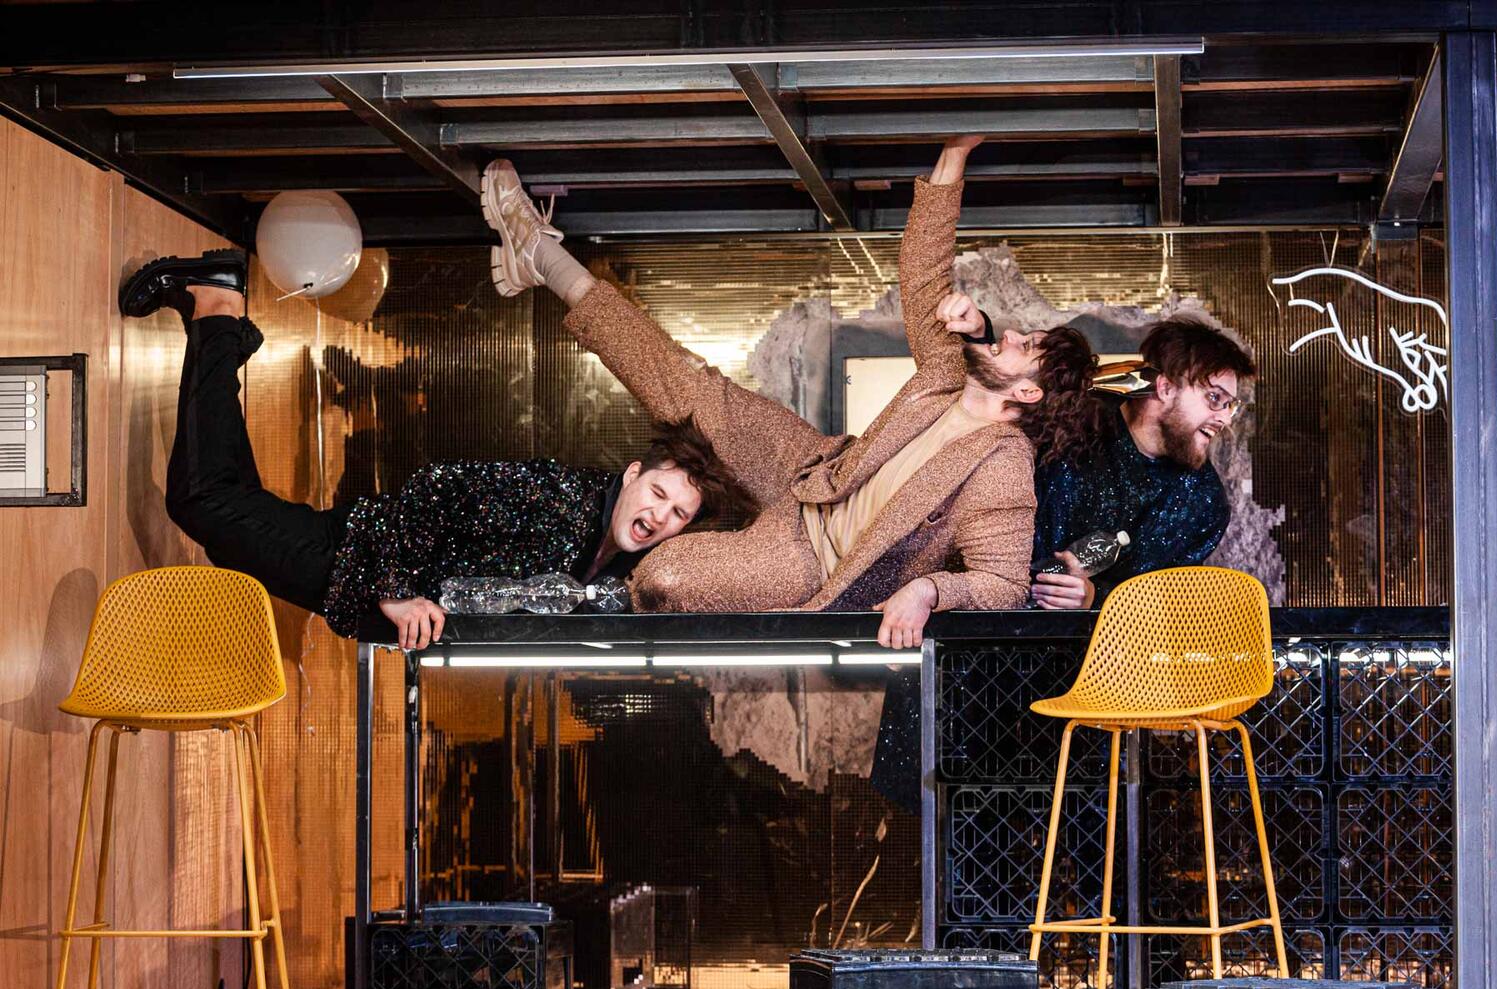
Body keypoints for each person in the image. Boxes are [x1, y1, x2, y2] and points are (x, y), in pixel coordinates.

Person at [479, 136, 1087, 648]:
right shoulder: (949, 370)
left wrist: (928, 589)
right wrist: (954, 152)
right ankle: (540, 255)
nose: (1010, 335)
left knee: (667, 579)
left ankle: (559, 589)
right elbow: (923, 272)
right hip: (816, 469)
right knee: (692, 388)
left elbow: (1003, 584)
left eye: (1026, 346)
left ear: (1028, 394)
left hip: (813, 557)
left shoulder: (1002, 466)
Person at [118, 250, 752, 649]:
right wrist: (395, 587)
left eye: (678, 514)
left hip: (373, 593)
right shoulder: (564, 499)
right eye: (659, 493)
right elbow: (439, 487)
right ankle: (217, 308)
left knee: (230, 513)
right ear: (634, 474)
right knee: (203, 501)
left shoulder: (615, 570)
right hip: (361, 559)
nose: (659, 515)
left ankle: (219, 320)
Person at [1025, 318, 1257, 609]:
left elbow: (1172, 608)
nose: (1224, 419)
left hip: (1116, 639)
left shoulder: (1204, 502)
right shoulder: (1069, 427)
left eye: (1229, 406)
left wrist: (1096, 598)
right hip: (999, 623)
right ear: (1165, 388)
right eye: (1214, 398)